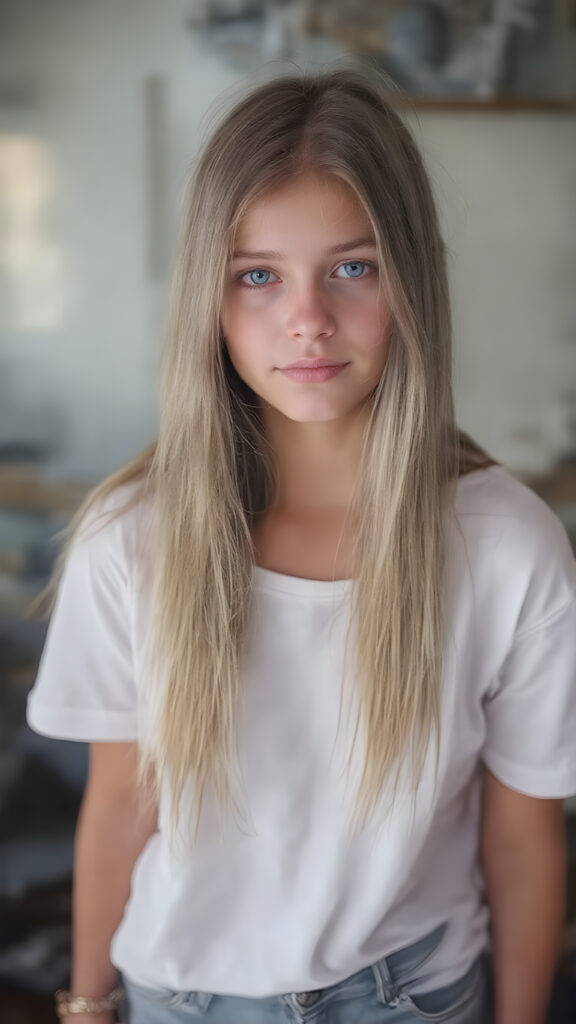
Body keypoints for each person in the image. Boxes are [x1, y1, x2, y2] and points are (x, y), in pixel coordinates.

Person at [27, 68, 576, 1024]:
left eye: (353, 267)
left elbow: (524, 835)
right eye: (258, 276)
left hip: (411, 996)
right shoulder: (131, 541)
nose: (308, 317)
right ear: (209, 291)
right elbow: (119, 804)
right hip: (176, 999)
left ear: (413, 277)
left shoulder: (508, 546)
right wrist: (84, 1002)